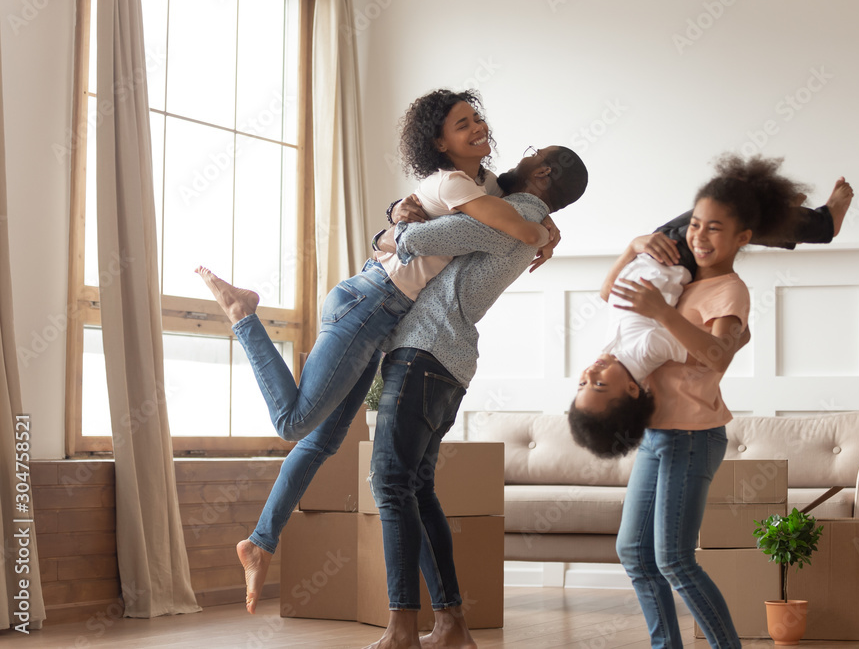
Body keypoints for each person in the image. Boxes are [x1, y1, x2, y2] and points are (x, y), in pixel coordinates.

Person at [192, 89, 557, 614]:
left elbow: (495, 212)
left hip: (383, 313)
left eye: (477, 118)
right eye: (461, 124)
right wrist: (540, 230)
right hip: (367, 303)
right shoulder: (457, 183)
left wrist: (544, 226)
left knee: (322, 441)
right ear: (439, 141)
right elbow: (512, 226)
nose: (477, 127)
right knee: (293, 423)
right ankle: (244, 315)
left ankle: (260, 542)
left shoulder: (483, 184)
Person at [365, 145, 587, 649]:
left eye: (532, 152)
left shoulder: (516, 216)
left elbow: (425, 239)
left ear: (543, 171)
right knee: (417, 489)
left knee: (391, 485)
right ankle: (451, 624)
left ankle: (402, 627)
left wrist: (393, 229)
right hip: (449, 363)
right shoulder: (527, 219)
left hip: (424, 354)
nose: (521, 153)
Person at [609, 153, 815, 648]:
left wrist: (662, 313)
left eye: (715, 228)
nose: (700, 237)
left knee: (674, 558)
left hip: (692, 437)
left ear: (742, 238)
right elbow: (610, 293)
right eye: (695, 224)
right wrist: (633, 246)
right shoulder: (680, 276)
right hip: (656, 432)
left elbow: (717, 355)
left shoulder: (730, 291)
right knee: (634, 551)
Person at [569, 176, 853, 457]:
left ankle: (780, 215)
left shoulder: (613, 352)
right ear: (632, 389)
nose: (590, 373)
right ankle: (821, 224)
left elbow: (607, 293)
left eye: (582, 383)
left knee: (732, 208)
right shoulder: (646, 350)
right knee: (726, 210)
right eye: (600, 384)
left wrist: (632, 247)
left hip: (649, 248)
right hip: (674, 255)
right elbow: (714, 353)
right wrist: (664, 312)